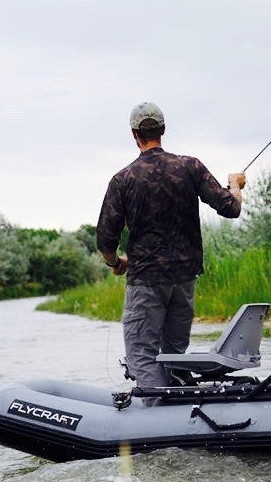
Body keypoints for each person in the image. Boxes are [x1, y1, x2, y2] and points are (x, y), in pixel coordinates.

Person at [96, 101, 246, 398]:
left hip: (146, 280)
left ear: (134, 134)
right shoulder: (190, 167)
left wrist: (115, 262)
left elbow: (105, 240)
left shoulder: (123, 179)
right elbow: (231, 207)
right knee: (175, 353)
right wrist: (234, 183)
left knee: (142, 354)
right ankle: (183, 413)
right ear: (163, 131)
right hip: (184, 279)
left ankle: (155, 421)